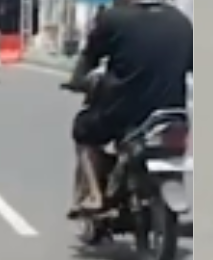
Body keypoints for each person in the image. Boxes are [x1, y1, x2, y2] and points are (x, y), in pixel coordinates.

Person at [63, 0, 193, 218]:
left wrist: (77, 80)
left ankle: (95, 195)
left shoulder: (113, 19)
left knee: (82, 130)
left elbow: (90, 56)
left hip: (124, 110)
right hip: (171, 111)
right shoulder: (181, 22)